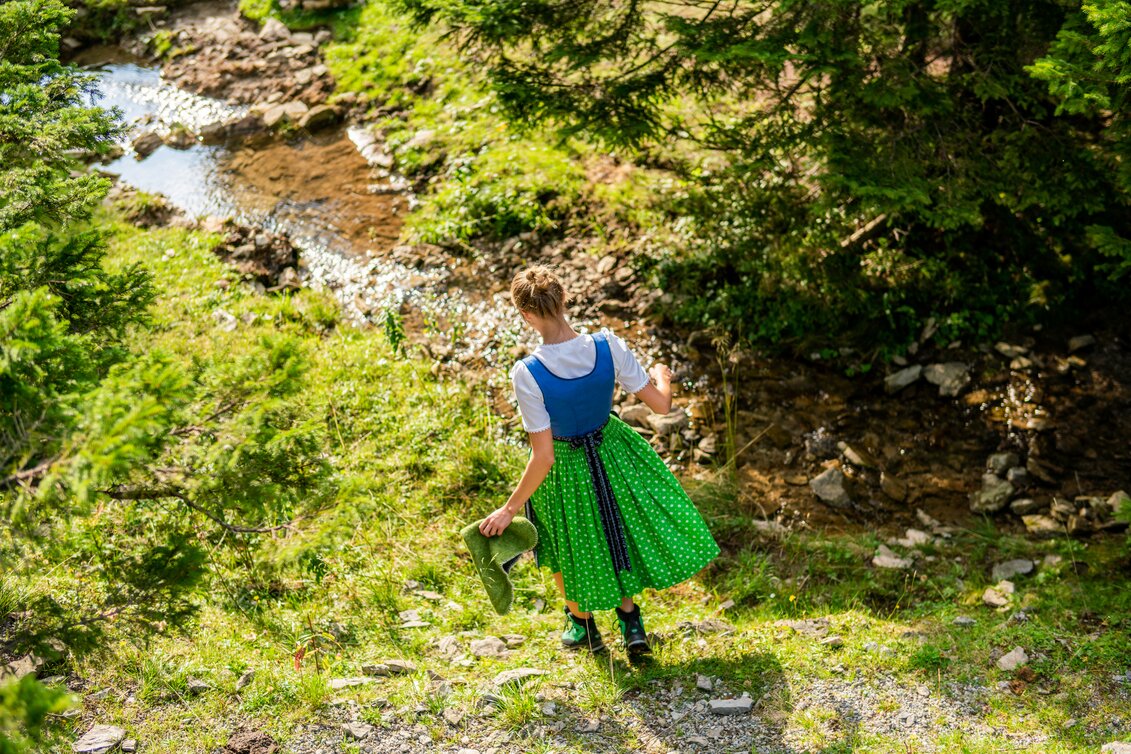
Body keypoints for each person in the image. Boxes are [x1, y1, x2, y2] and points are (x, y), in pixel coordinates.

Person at [478, 265, 720, 656]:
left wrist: (510, 509)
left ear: (526, 315)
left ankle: (583, 627)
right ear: (564, 299)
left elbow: (544, 456)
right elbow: (660, 404)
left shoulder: (528, 373)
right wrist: (662, 375)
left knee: (567, 544)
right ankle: (631, 623)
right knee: (615, 531)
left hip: (567, 470)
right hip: (613, 452)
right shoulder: (608, 345)